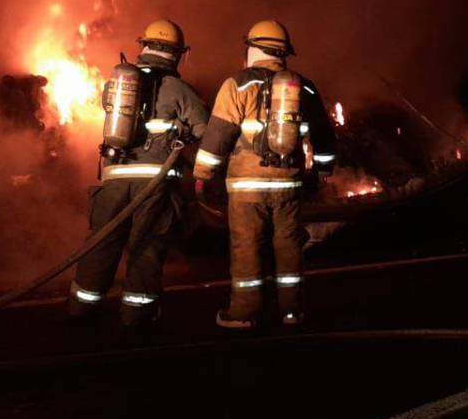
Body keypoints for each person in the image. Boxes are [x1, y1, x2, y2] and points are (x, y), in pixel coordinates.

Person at [193, 20, 336, 329]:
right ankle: (291, 312)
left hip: (247, 188)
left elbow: (218, 136)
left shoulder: (237, 85)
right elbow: (324, 135)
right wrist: (324, 168)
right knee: (288, 245)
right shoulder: (304, 86)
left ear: (253, 49)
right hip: (289, 183)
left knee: (247, 245)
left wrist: (203, 174)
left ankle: (245, 313)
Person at [66, 19, 209, 325]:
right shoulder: (179, 89)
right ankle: (137, 315)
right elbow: (205, 129)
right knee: (147, 245)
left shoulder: (117, 84)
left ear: (143, 46)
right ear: (177, 53)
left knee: (101, 243)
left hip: (114, 179)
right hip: (153, 185)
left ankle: (81, 309)